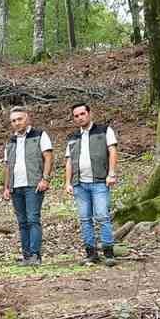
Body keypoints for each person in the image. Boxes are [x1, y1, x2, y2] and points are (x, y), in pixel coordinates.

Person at [64, 102, 118, 265]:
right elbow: (68, 161)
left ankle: (109, 253)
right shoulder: (73, 138)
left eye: (82, 114)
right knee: (85, 219)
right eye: (76, 116)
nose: (80, 117)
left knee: (102, 216)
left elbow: (113, 151)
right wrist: (67, 182)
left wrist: (112, 173)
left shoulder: (104, 130)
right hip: (80, 184)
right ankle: (91, 253)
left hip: (100, 181)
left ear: (89, 113)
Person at [2, 106, 53, 265]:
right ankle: (26, 256)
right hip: (16, 187)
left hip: (33, 184)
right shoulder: (11, 141)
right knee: (22, 222)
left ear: (27, 118)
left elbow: (48, 157)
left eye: (19, 119)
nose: (17, 123)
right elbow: (7, 166)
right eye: (13, 121)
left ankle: (35, 255)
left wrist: (45, 179)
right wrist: (6, 187)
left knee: (33, 219)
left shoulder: (40, 135)